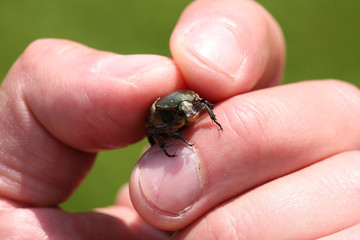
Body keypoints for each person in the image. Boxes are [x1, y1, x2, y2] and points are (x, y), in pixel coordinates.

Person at [1, 0, 359, 239]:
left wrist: (229, 121)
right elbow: (154, 126)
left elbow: (199, 102)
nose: (192, 114)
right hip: (161, 125)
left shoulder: (192, 100)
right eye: (187, 112)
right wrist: (174, 140)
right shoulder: (163, 113)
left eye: (193, 110)